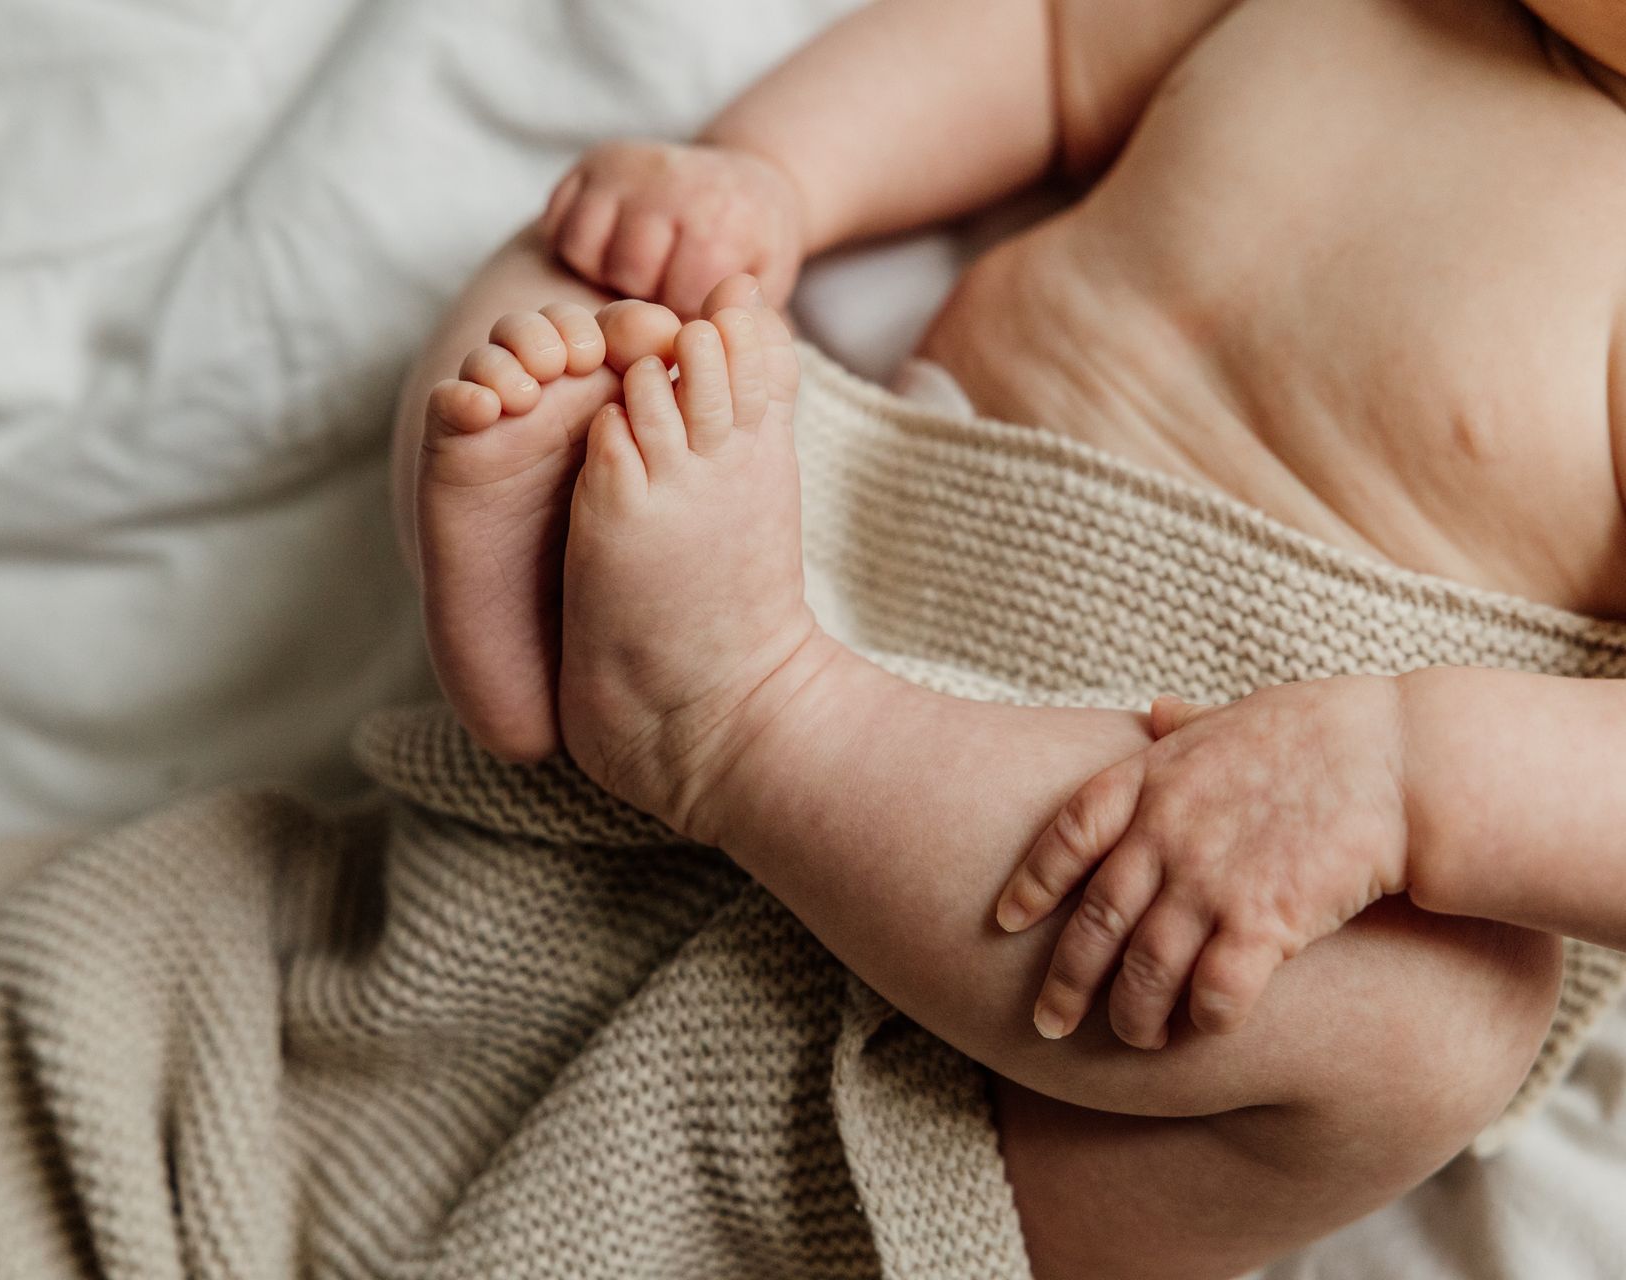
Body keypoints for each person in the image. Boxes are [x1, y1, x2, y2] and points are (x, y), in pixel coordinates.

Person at [389, 1, 1626, 1274]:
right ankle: (528, 631)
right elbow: (1045, 37)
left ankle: (740, 717)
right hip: (829, 550)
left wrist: (1407, 777)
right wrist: (771, 177)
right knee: (610, 270)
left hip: (1106, 909)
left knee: (1451, 1012)